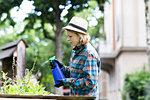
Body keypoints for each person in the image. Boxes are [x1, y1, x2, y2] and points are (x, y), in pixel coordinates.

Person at [50, 17, 101, 100]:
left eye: (70, 36)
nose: (68, 39)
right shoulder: (75, 51)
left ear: (80, 36)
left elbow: (90, 82)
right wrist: (62, 68)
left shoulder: (89, 54)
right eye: (67, 36)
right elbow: (76, 74)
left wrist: (66, 81)